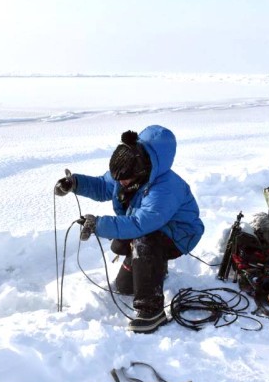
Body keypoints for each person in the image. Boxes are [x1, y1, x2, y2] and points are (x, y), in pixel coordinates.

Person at [54, 125, 204, 333]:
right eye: (117, 178)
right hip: (150, 227)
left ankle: (152, 311)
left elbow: (139, 224)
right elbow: (103, 186)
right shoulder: (128, 166)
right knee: (125, 287)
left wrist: (98, 224)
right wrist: (75, 183)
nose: (120, 183)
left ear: (141, 173)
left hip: (179, 234)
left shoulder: (166, 188)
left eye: (123, 179)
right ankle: (155, 268)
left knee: (144, 241)